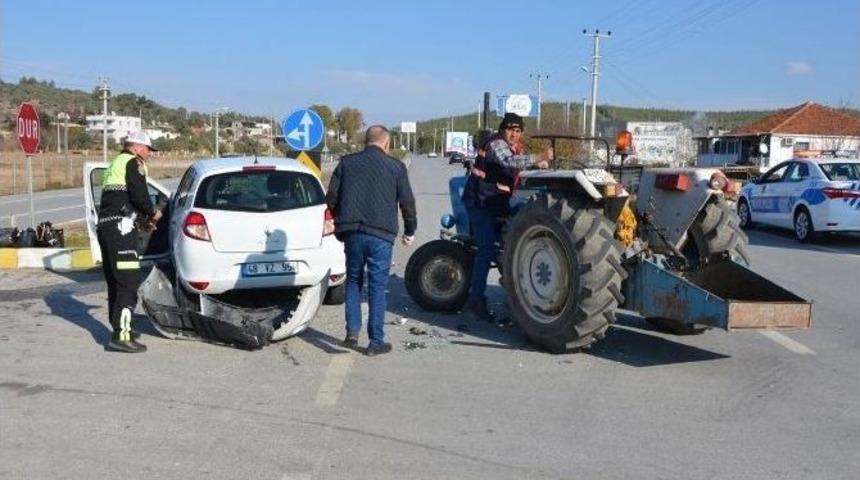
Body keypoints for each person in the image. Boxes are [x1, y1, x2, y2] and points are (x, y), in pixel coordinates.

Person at [326, 125, 417, 356]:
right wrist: (410, 230)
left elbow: (332, 196)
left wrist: (337, 219)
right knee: (377, 287)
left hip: (352, 233)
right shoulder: (395, 167)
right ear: (387, 143)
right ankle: (376, 342)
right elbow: (407, 202)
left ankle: (351, 334)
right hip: (381, 235)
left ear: (365, 142)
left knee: (354, 281)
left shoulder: (346, 163)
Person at [462, 113, 552, 322]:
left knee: (525, 213)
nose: (514, 134)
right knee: (486, 250)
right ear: (502, 130)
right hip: (480, 203)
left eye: (518, 131)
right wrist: (539, 157)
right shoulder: (496, 144)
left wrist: (536, 165)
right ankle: (476, 301)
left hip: (496, 201)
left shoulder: (515, 147)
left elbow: (517, 165)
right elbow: (509, 161)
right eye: (510, 129)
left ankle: (515, 282)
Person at [97, 131, 162, 353]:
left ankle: (121, 328)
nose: (149, 154)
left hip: (107, 228)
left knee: (116, 282)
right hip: (121, 230)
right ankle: (121, 337)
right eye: (148, 149)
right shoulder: (134, 163)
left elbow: (121, 199)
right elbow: (139, 195)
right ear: (136, 147)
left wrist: (142, 221)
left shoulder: (116, 163)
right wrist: (153, 213)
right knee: (129, 282)